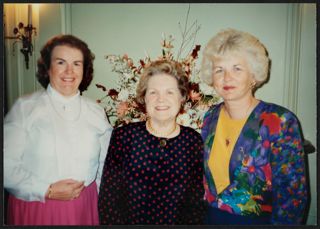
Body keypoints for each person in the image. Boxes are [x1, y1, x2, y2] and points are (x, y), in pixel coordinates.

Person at [200, 28, 308, 225]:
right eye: (219, 70)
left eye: (237, 68)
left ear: (253, 75)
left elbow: (293, 196)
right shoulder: (210, 117)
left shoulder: (279, 121)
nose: (227, 77)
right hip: (211, 219)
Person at [4, 34, 112, 225]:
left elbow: (105, 166)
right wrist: (47, 190)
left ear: (84, 69)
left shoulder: (97, 112)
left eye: (77, 63)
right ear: (47, 67)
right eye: (61, 62)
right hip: (36, 206)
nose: (69, 71)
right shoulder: (25, 108)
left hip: (84, 208)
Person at [98, 59, 207, 225]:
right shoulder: (124, 137)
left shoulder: (192, 141)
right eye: (153, 92)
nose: (161, 99)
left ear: (182, 97)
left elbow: (194, 205)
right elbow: (109, 201)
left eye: (170, 92)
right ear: (144, 98)